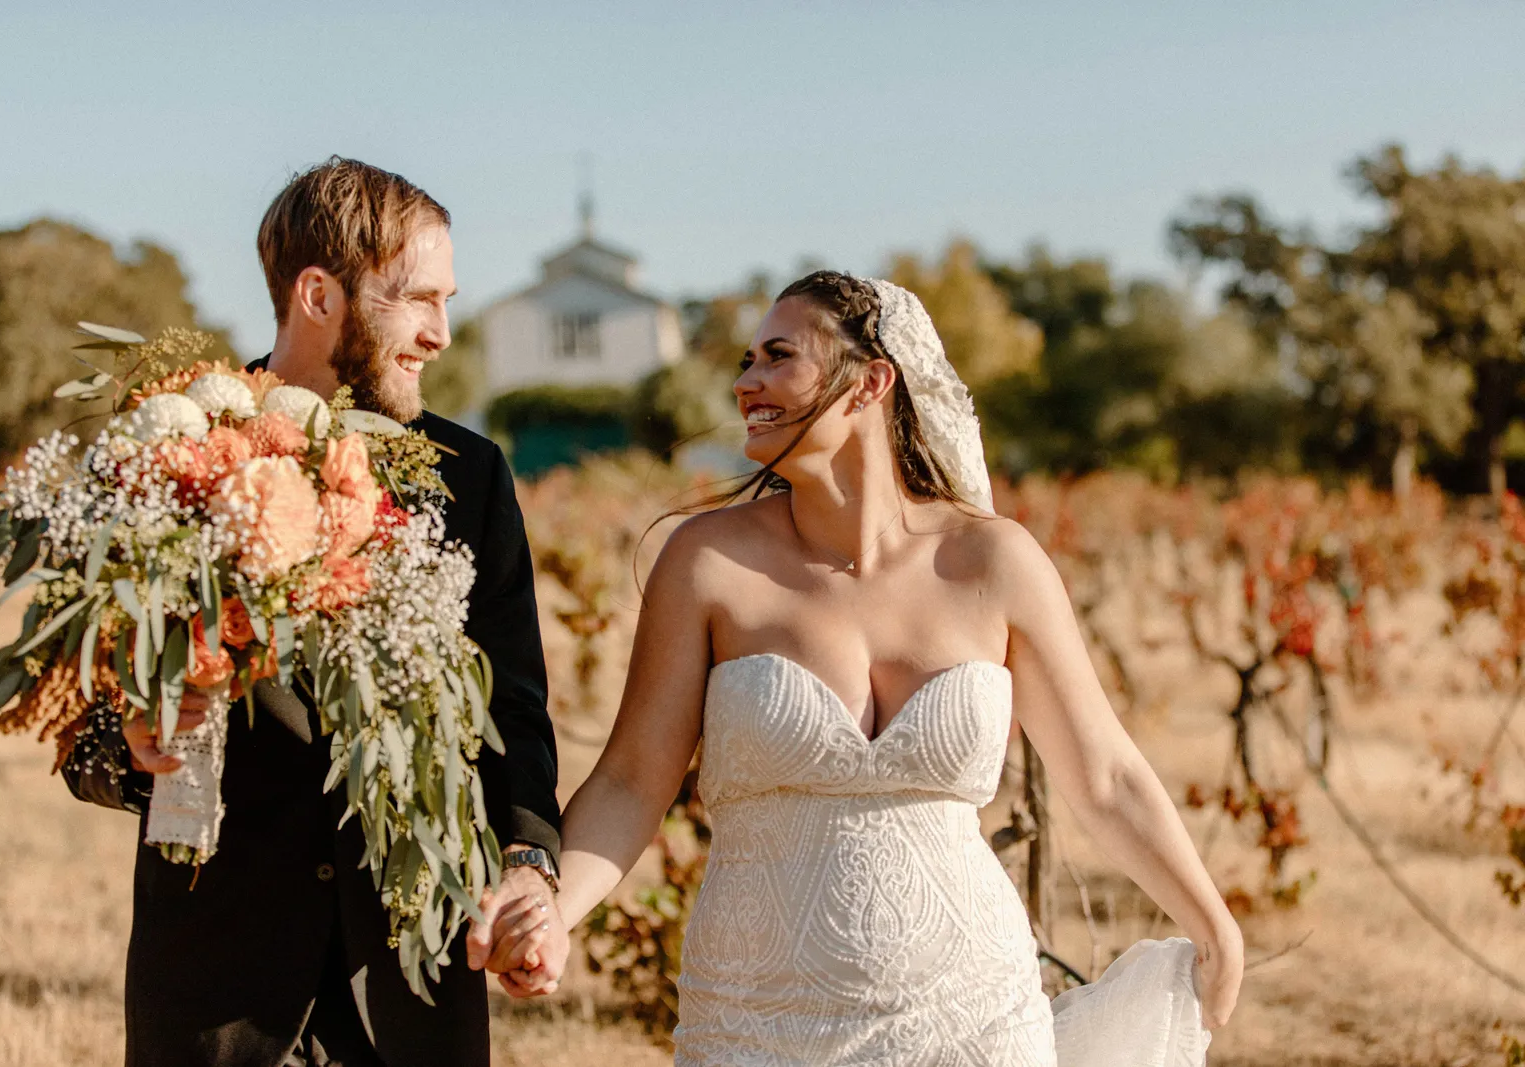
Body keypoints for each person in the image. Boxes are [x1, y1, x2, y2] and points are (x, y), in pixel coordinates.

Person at [474, 272, 1242, 1065]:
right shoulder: (706, 562)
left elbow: (1106, 775)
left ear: (872, 380)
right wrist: (550, 911)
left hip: (974, 1015)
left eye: (779, 356)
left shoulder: (995, 561)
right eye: (746, 360)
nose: (746, 382)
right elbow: (634, 779)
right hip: (757, 1022)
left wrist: (1215, 925)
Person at [63, 157, 563, 1067]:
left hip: (411, 991)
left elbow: (513, 716)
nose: (442, 333)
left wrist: (530, 870)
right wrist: (131, 741)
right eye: (417, 299)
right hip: (216, 998)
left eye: (447, 301)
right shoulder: (169, 452)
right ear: (318, 293)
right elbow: (82, 734)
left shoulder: (471, 475)